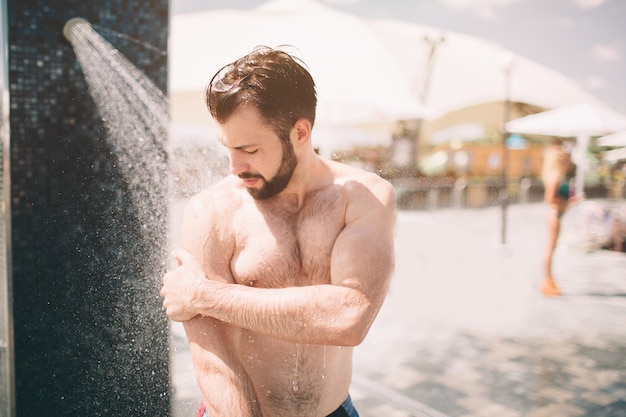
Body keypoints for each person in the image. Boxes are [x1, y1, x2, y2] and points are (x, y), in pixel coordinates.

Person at [160, 46, 396, 417]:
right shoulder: (211, 211)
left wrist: (202, 294)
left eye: (250, 149)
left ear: (300, 132)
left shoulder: (364, 197)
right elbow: (213, 360)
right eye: (228, 148)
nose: (236, 166)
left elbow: (350, 318)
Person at [540, 142, 574, 297]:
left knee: (552, 249)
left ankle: (549, 280)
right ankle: (547, 281)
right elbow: (549, 199)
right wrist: (566, 203)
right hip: (554, 214)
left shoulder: (556, 175)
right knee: (550, 250)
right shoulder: (554, 177)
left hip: (556, 214)